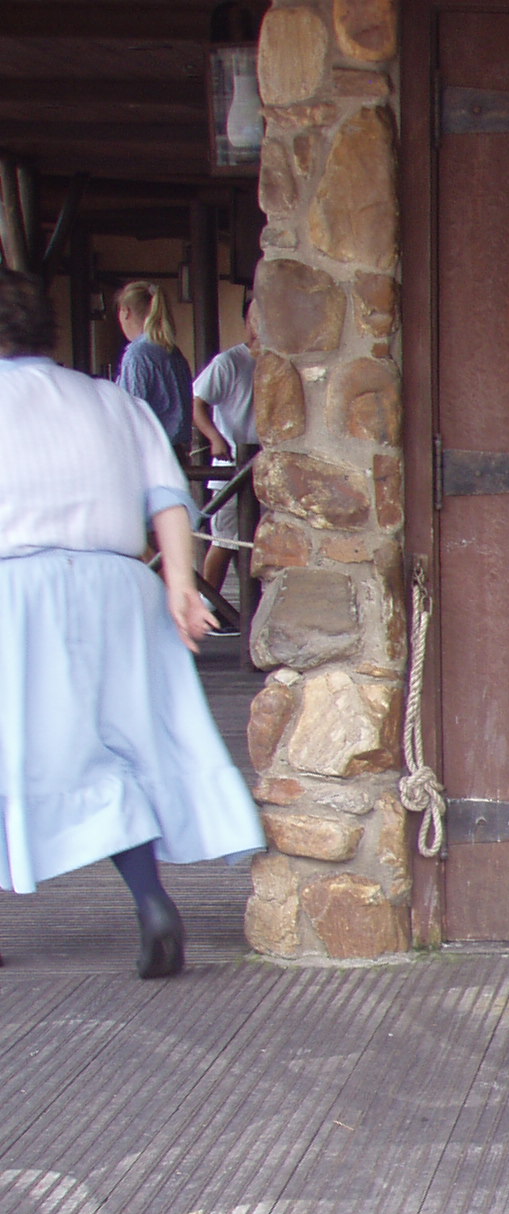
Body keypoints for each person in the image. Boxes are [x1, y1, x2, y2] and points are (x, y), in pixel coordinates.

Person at [0, 266, 264, 976]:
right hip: (119, 590)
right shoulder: (109, 401)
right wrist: (181, 586)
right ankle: (151, 901)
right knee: (123, 749)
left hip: (14, 590)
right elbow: (167, 497)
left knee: (15, 751)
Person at [190, 305, 259, 607]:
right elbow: (198, 403)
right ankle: (208, 606)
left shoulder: (275, 362)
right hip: (232, 466)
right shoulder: (228, 362)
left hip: (263, 465)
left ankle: (251, 610)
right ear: (247, 322)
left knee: (255, 542)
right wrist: (215, 438)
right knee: (225, 541)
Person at [112, 281, 192, 454]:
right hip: (176, 452)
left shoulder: (137, 355)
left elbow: (130, 411)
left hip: (148, 452)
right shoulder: (172, 351)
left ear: (125, 312)